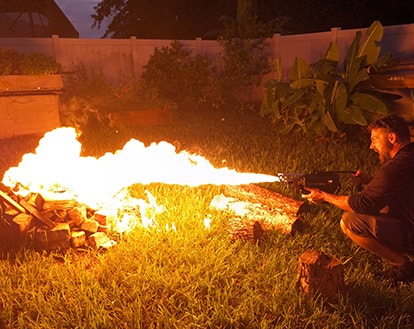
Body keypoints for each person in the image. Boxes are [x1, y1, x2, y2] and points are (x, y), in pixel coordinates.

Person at [303, 113, 414, 283]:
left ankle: (403, 266)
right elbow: (400, 190)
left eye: (375, 140)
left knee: (349, 221)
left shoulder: (394, 168)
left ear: (392, 137)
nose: (371, 146)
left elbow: (362, 205)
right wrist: (369, 181)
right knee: (384, 206)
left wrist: (325, 196)